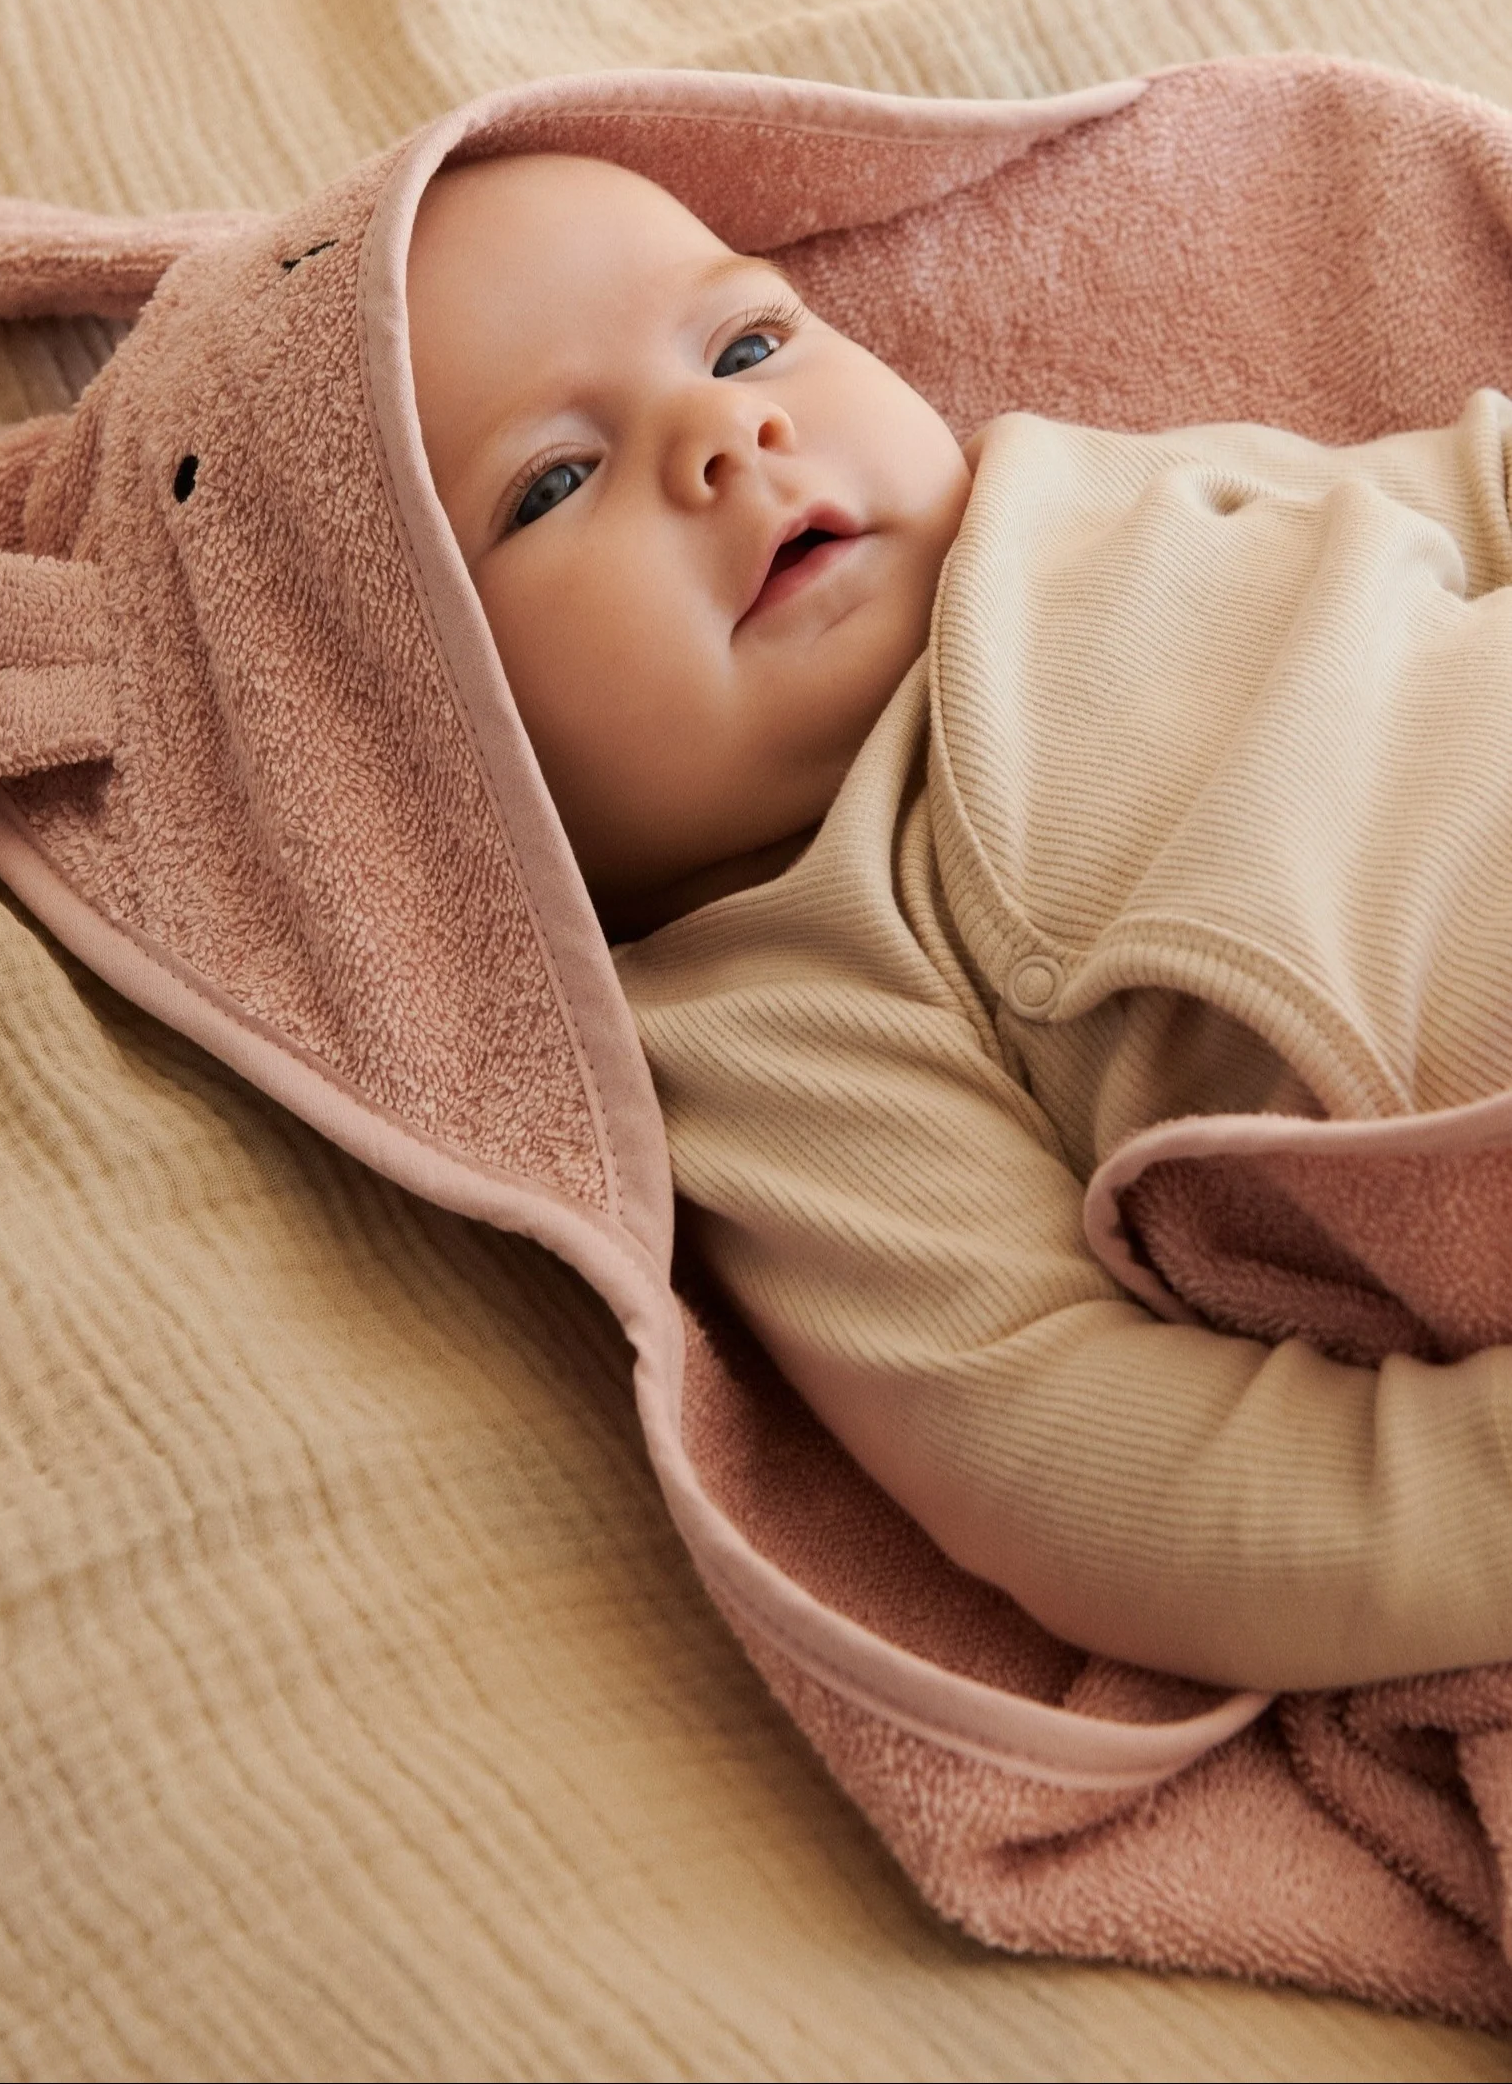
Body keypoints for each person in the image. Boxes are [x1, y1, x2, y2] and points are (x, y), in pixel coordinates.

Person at [408, 148, 1512, 1692]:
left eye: (743, 346)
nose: (727, 435)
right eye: (550, 484)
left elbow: (1477, 483)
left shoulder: (1102, 488)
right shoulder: (769, 992)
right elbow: (1086, 1457)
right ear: (422, 751)